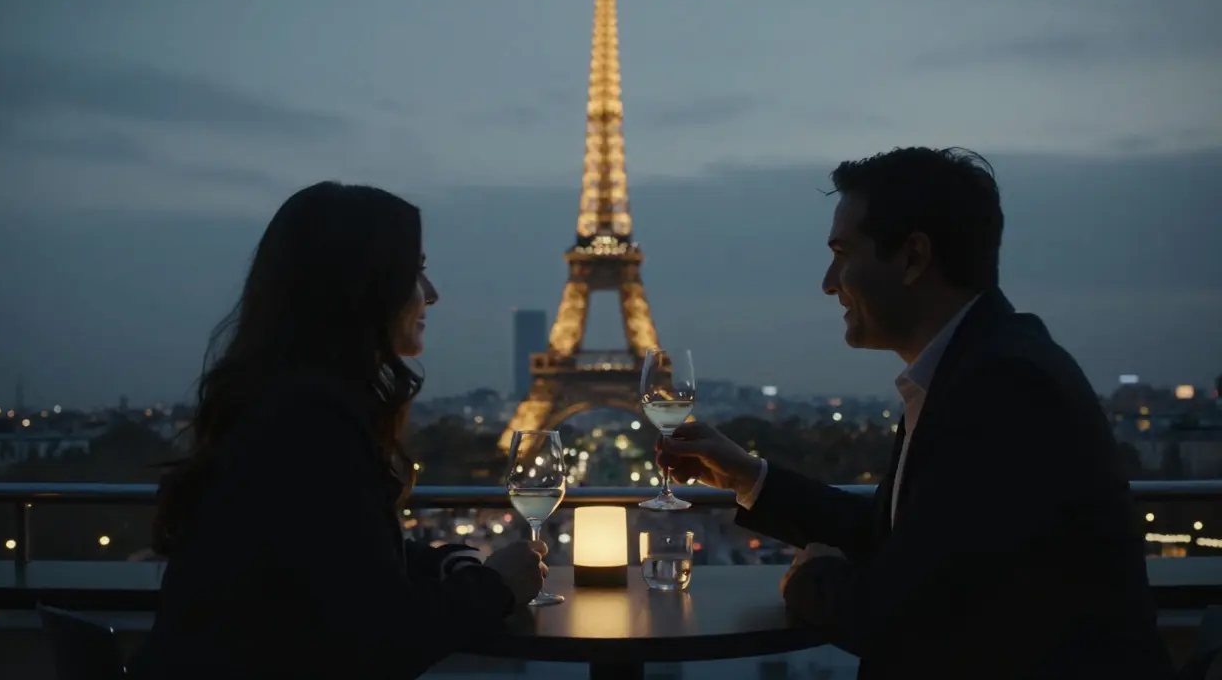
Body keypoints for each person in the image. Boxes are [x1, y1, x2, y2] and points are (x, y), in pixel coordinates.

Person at [659, 148, 1173, 679]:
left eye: (842, 252)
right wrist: (749, 477)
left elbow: (899, 616)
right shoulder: (975, 367)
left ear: (912, 259)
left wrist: (813, 579)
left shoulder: (1003, 387)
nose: (829, 282)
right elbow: (904, 540)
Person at [129, 182, 546, 679]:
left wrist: (447, 563)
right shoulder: (312, 424)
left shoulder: (280, 404)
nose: (431, 296)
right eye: (416, 273)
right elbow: (380, 636)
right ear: (365, 287)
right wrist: (493, 589)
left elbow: (342, 558)